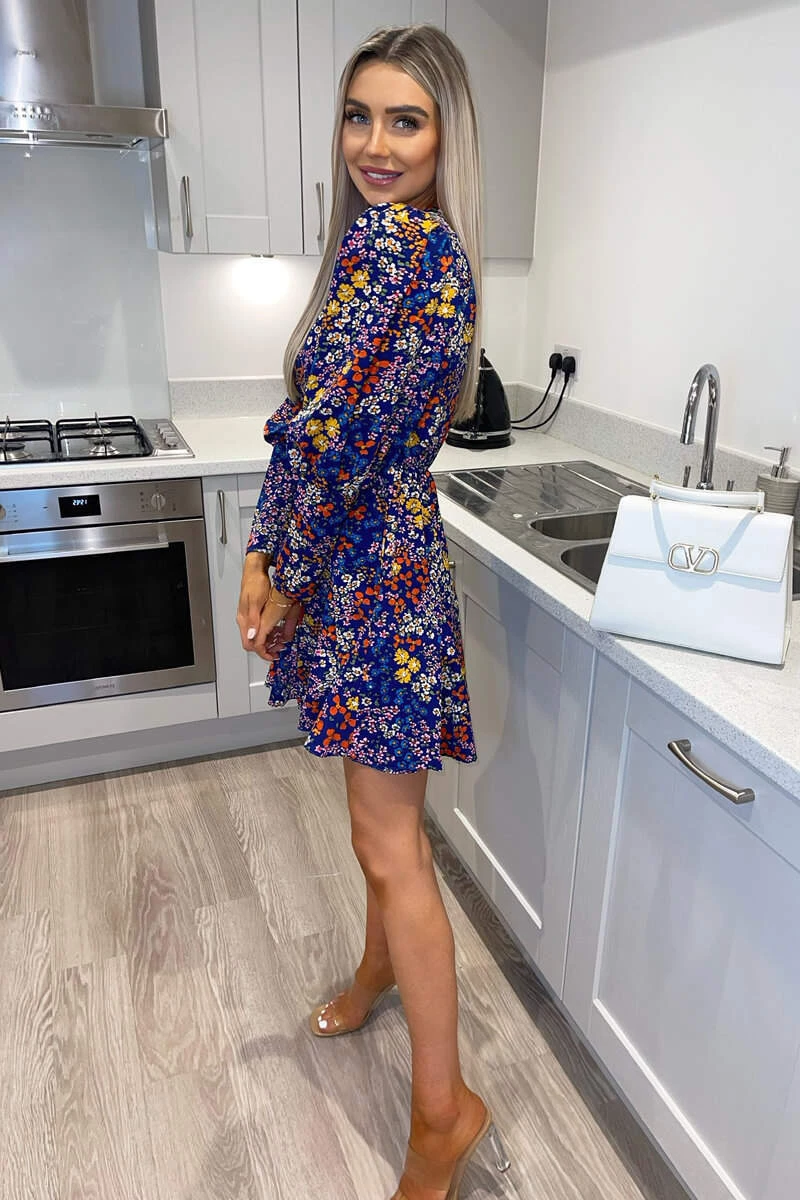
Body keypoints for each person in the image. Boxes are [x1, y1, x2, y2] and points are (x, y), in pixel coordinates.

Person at [237, 24, 510, 1200]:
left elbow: (340, 451)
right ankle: (375, 969)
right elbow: (309, 431)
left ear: (446, 136)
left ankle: (442, 1115)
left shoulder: (407, 250)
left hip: (371, 580)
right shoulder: (378, 247)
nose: (375, 144)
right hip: (363, 567)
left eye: (405, 120)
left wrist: (281, 572)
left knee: (390, 844)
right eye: (359, 116)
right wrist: (268, 547)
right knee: (377, 829)